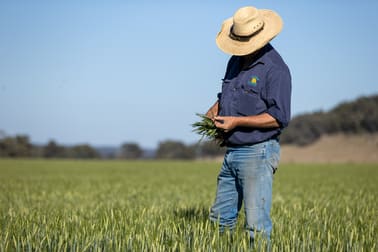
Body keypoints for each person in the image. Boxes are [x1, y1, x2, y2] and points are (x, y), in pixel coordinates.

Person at [207, 6, 292, 243]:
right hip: (232, 152)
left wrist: (237, 121)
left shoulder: (275, 70)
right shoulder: (235, 61)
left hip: (258, 151)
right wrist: (215, 109)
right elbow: (227, 94)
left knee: (256, 227)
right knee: (219, 221)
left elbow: (279, 116)